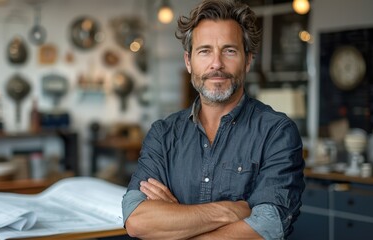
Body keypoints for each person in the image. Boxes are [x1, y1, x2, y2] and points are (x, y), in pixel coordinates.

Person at [121, 0, 305, 239]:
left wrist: (176, 222)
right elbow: (137, 219)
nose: (216, 64)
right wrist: (231, 211)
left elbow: (268, 226)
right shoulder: (163, 134)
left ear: (248, 60)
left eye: (229, 50)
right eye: (204, 51)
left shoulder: (277, 132)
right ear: (188, 61)